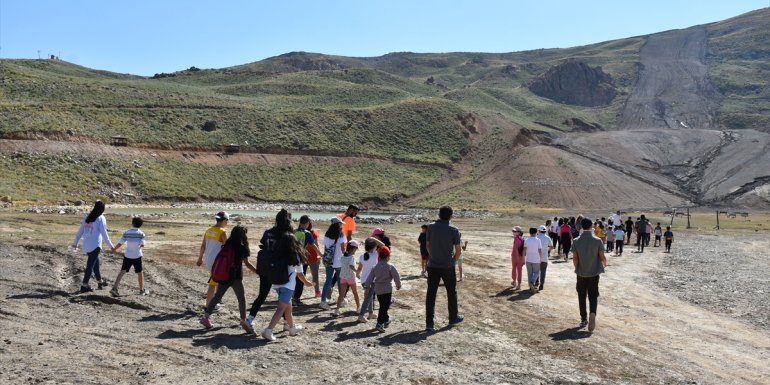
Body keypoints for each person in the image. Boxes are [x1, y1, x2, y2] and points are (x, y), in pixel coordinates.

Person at [199, 225, 258, 332]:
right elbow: (247, 263)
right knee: (241, 298)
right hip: (236, 276)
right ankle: (243, 320)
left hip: (224, 275)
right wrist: (258, 272)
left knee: (217, 296)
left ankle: (206, 317)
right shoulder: (242, 246)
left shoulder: (227, 244)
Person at [261, 232, 314, 341]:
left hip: (276, 284)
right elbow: (300, 274)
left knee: (288, 307)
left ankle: (292, 328)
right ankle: (269, 330)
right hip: (288, 285)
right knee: (281, 309)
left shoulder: (276, 253)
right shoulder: (295, 255)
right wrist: (307, 282)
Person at [245, 209, 290, 329]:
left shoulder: (268, 232)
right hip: (280, 269)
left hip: (265, 266)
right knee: (284, 297)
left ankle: (250, 319)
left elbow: (263, 245)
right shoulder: (287, 234)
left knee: (262, 295)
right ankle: (286, 323)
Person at [425, 206, 464, 331]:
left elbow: (428, 245)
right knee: (451, 292)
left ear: (439, 214)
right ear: (451, 216)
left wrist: (433, 257)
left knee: (431, 294)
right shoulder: (454, 229)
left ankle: (429, 324)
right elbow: (458, 250)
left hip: (433, 265)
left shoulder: (430, 227)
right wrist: (453, 261)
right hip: (447, 266)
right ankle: (453, 318)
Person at [572, 218, 607, 332]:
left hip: (581, 273)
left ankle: (583, 318)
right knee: (593, 295)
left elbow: (575, 258)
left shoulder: (576, 241)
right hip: (594, 273)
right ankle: (593, 313)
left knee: (581, 295)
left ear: (581, 226)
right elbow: (602, 256)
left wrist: (576, 268)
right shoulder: (597, 241)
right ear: (591, 226)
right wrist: (604, 263)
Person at [72, 200, 114, 293]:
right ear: (102, 209)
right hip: (95, 246)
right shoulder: (101, 218)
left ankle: (100, 282)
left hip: (87, 246)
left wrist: (75, 244)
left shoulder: (87, 217)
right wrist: (111, 247)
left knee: (95, 264)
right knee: (90, 266)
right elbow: (104, 234)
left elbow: (79, 232)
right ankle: (84, 285)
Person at [364, 246, 401, 332]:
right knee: (384, 307)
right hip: (387, 290)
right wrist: (398, 285)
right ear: (388, 256)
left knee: (383, 305)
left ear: (379, 257)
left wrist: (366, 287)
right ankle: (379, 323)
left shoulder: (375, 267)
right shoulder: (390, 266)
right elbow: (396, 276)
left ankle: (386, 320)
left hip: (378, 290)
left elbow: (370, 278)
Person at [196, 211, 229, 308]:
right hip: (217, 261)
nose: (227, 222)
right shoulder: (222, 231)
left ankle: (217, 300)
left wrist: (200, 258)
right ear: (224, 220)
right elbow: (227, 247)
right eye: (227, 220)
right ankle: (209, 305)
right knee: (213, 283)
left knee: (218, 280)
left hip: (208, 259)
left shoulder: (209, 230)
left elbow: (203, 245)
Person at [110, 217, 148, 297]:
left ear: (132, 223)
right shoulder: (141, 234)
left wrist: (114, 249)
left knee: (122, 271)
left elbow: (120, 243)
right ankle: (141, 290)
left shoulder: (126, 232)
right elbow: (142, 244)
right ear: (140, 225)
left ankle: (114, 288)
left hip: (128, 255)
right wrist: (140, 245)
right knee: (140, 273)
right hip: (137, 256)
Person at [293, 215, 321, 305]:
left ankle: (291, 296)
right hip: (301, 258)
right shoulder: (307, 233)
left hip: (291, 257)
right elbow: (313, 245)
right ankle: (296, 298)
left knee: (293, 276)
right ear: (307, 223)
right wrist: (320, 254)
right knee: (301, 276)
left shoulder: (294, 231)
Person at [357, 238, 387, 323]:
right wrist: (373, 238)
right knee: (367, 298)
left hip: (363, 280)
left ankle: (370, 313)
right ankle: (361, 316)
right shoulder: (375, 255)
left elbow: (359, 268)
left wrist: (357, 274)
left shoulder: (362, 256)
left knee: (369, 297)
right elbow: (383, 245)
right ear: (374, 247)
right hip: (371, 280)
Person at [319, 217, 347, 310]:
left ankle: (323, 301)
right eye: (340, 224)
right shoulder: (341, 235)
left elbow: (326, 248)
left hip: (329, 261)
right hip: (338, 261)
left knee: (328, 281)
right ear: (338, 224)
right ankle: (341, 300)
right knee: (340, 281)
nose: (341, 225)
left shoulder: (327, 234)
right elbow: (343, 250)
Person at [334, 240, 361, 316]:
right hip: (350, 278)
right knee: (355, 293)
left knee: (341, 294)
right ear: (352, 249)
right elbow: (351, 266)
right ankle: (358, 308)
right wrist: (357, 272)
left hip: (343, 277)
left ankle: (337, 309)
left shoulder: (343, 256)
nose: (355, 251)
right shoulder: (352, 257)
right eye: (355, 249)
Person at [523, 227, 543, 293]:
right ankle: (532, 282)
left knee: (529, 273)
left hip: (528, 259)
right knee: (537, 272)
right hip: (536, 259)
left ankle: (530, 287)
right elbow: (539, 250)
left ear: (530, 232)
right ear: (536, 232)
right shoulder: (538, 240)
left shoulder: (527, 240)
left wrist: (524, 258)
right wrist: (541, 258)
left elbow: (524, 250)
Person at [305, 221, 322, 297]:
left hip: (304, 255)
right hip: (313, 256)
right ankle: (317, 292)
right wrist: (319, 256)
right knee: (315, 275)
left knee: (300, 274)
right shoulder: (314, 233)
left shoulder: (302, 233)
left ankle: (295, 294)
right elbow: (316, 244)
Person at [536, 225, 553, 291]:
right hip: (544, 257)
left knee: (536, 270)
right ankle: (542, 284)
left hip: (537, 256)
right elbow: (551, 246)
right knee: (543, 271)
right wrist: (547, 250)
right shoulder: (547, 237)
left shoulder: (537, 237)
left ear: (539, 230)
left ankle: (536, 282)